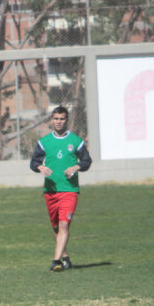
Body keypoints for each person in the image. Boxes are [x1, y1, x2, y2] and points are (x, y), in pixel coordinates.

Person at [30, 106, 92, 272]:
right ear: (52, 120)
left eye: (62, 119)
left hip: (69, 190)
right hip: (50, 191)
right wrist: (40, 168)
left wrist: (76, 167)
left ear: (67, 120)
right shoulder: (44, 142)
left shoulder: (76, 141)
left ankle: (56, 261)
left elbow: (87, 161)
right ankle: (65, 258)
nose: (58, 122)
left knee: (64, 226)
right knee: (56, 228)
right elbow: (33, 163)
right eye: (56, 118)